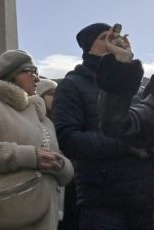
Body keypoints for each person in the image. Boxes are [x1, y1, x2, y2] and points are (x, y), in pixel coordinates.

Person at [53, 23, 154, 230]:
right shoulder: (71, 85)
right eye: (104, 36)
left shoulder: (136, 86)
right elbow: (68, 140)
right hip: (103, 201)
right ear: (90, 47)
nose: (113, 39)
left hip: (145, 199)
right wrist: (127, 145)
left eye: (116, 34)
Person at [0, 49, 73, 230]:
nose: (37, 77)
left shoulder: (42, 116)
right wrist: (30, 156)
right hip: (4, 216)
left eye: (37, 72)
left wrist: (62, 166)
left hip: (47, 218)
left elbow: (58, 158)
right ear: (12, 74)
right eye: (31, 70)